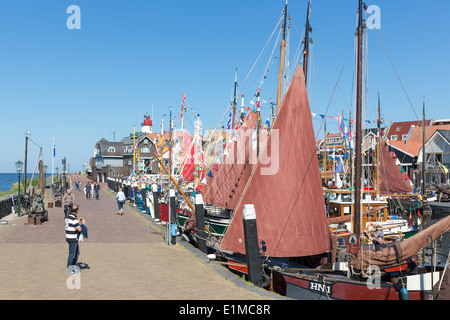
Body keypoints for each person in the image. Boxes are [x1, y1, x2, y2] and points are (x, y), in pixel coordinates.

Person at [65, 204, 82, 273]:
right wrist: (83, 224)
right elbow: (79, 229)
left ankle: (73, 266)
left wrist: (77, 221)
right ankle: (70, 269)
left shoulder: (68, 217)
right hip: (73, 238)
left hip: (68, 237)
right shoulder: (74, 219)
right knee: (72, 254)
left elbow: (71, 224)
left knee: (77, 252)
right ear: (76, 211)